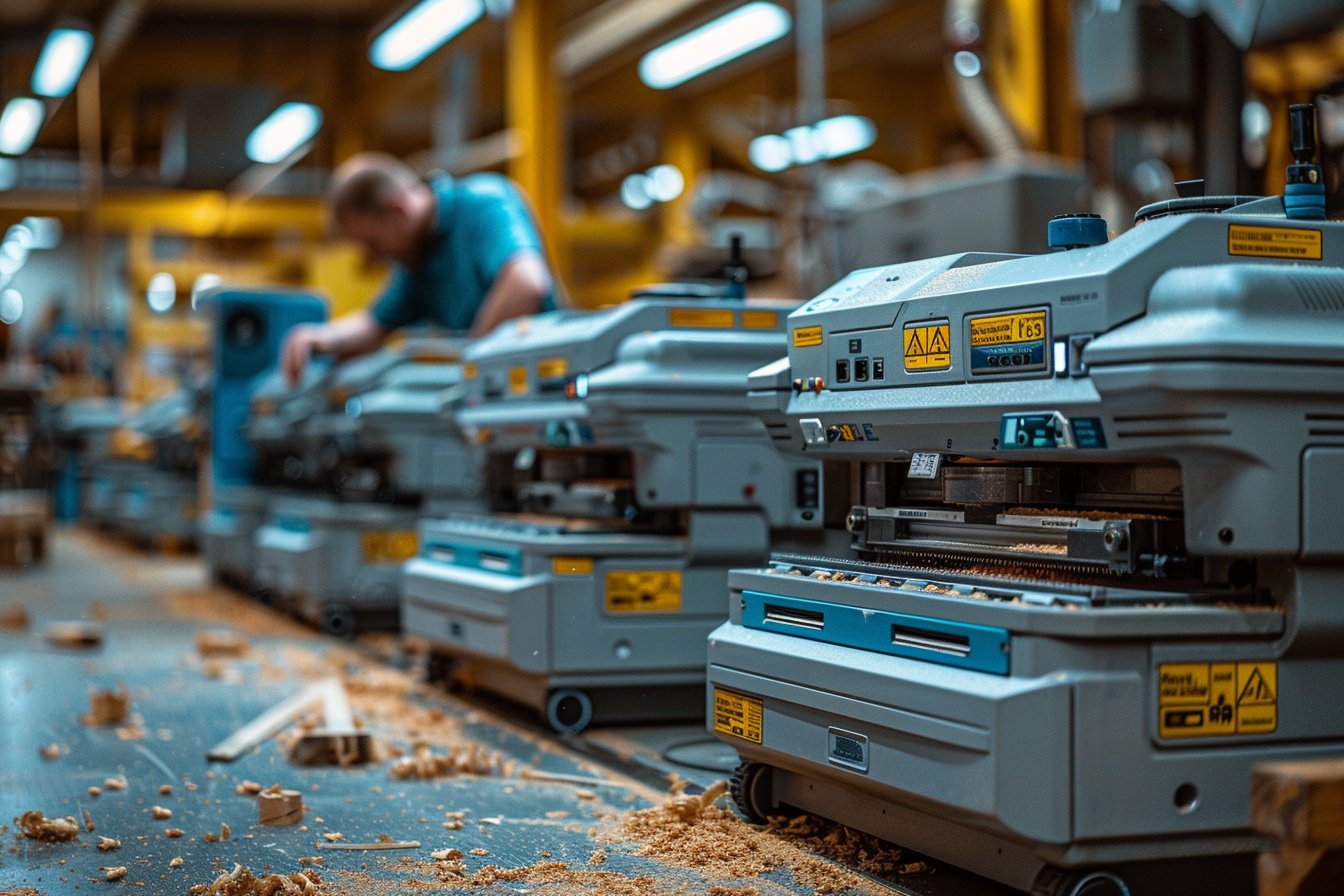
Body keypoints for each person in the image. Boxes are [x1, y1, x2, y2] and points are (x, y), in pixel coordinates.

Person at [281, 153, 557, 382]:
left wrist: (468, 365)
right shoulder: (417, 263)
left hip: (548, 379)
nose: (374, 259)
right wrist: (319, 338)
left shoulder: (484, 203)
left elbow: (526, 282)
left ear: (399, 208)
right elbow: (374, 325)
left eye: (374, 244)